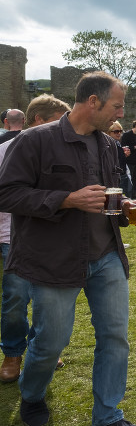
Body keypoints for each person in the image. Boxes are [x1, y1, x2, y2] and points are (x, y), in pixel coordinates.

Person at [0, 71, 136, 426]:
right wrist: (66, 199)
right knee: (51, 342)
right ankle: (32, 395)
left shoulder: (108, 145)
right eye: (117, 106)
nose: (121, 114)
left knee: (115, 336)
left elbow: (106, 195)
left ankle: (108, 415)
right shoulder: (34, 141)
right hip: (54, 259)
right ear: (93, 102)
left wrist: (124, 205)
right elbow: (6, 194)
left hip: (107, 255)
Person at [0, 95, 70, 385]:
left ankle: (42, 350)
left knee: (46, 299)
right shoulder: (4, 149)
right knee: (16, 299)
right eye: (58, 121)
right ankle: (13, 353)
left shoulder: (62, 152)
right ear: (38, 120)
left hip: (46, 236)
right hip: (9, 236)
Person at [120, 119, 136, 199]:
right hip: (129, 162)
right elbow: (123, 148)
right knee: (129, 181)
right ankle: (128, 196)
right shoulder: (126, 135)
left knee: (135, 180)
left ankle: (133, 196)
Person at [108, 121, 133, 197]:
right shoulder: (109, 144)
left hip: (122, 173)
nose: (119, 133)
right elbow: (110, 161)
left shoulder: (117, 143)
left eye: (120, 131)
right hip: (116, 176)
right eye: (116, 131)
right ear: (109, 132)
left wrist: (123, 155)